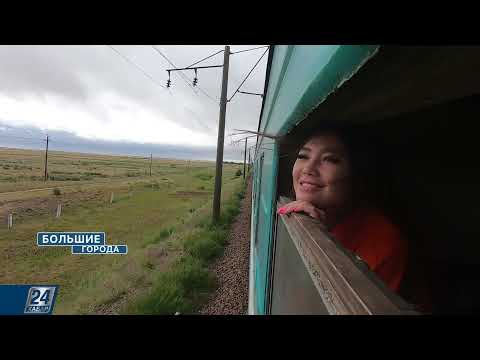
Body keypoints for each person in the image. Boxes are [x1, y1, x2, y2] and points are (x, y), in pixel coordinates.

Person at [277, 124, 408, 293]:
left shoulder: (384, 242)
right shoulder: (300, 212)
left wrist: (323, 244)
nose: (308, 169)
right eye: (303, 156)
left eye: (330, 159)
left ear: (356, 175)